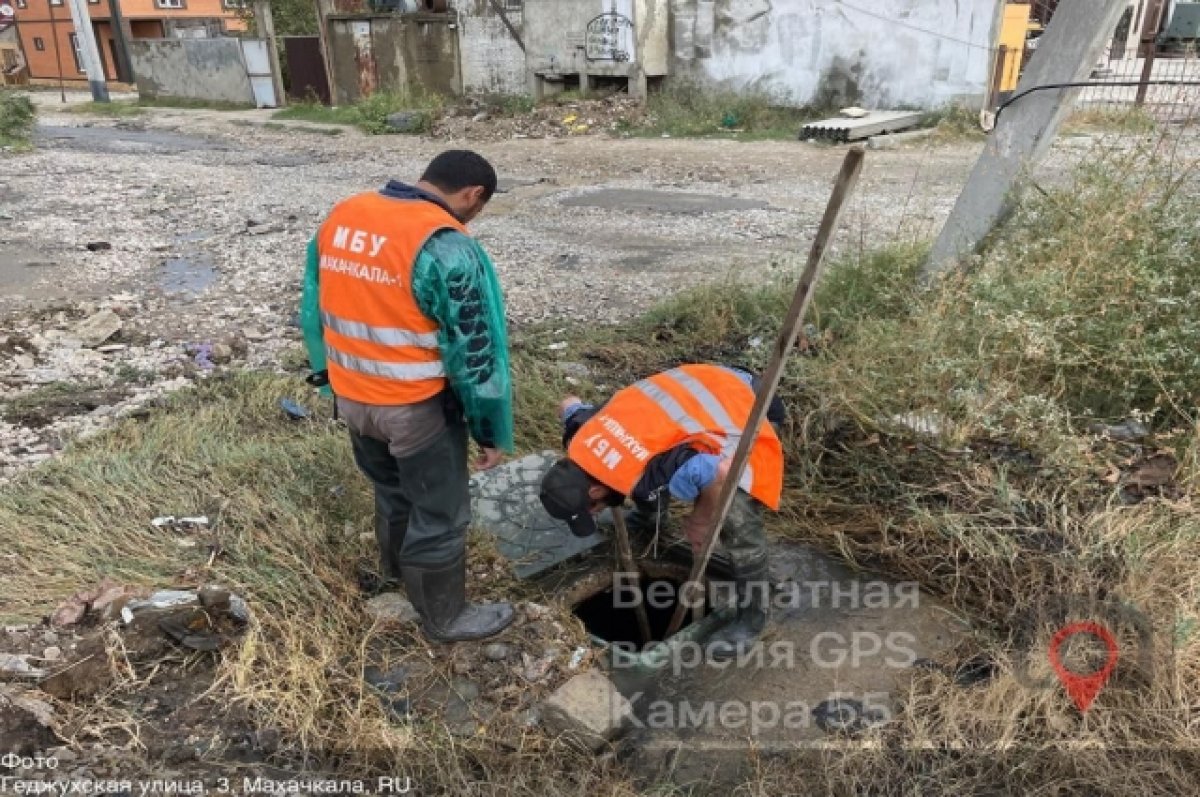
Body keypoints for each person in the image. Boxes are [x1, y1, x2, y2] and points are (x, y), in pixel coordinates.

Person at [300, 150, 514, 643]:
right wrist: (488, 428)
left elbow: (312, 304)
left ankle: (395, 577)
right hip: (413, 408)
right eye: (478, 209)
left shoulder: (345, 215)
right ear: (473, 195)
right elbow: (474, 352)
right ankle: (445, 617)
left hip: (352, 398)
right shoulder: (442, 244)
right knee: (440, 513)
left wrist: (327, 374)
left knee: (392, 491)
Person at [538, 363, 786, 659]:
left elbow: (720, 471)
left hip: (747, 406)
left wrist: (701, 519)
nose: (593, 514)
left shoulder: (655, 469)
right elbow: (568, 402)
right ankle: (650, 516)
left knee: (734, 517)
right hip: (703, 386)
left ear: (594, 491)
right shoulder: (580, 430)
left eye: (590, 509)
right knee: (641, 476)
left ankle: (753, 618)